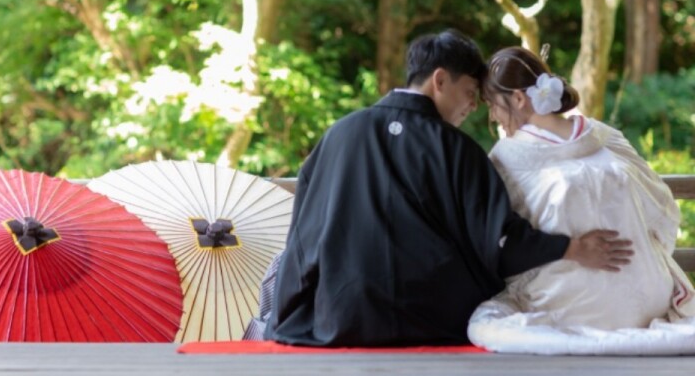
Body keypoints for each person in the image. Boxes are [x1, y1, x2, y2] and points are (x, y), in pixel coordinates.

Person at [264, 30, 633, 347]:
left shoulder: (341, 134)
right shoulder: (457, 149)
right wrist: (572, 248)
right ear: (440, 80)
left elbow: (304, 235)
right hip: (433, 323)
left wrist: (288, 309)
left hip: (339, 319)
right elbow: (499, 240)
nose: (474, 106)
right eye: (471, 91)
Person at [467, 46, 695, 353]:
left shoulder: (508, 157)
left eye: (492, 104)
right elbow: (661, 209)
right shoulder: (604, 136)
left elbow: (500, 240)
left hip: (565, 307)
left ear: (519, 99)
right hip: (644, 293)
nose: (492, 115)